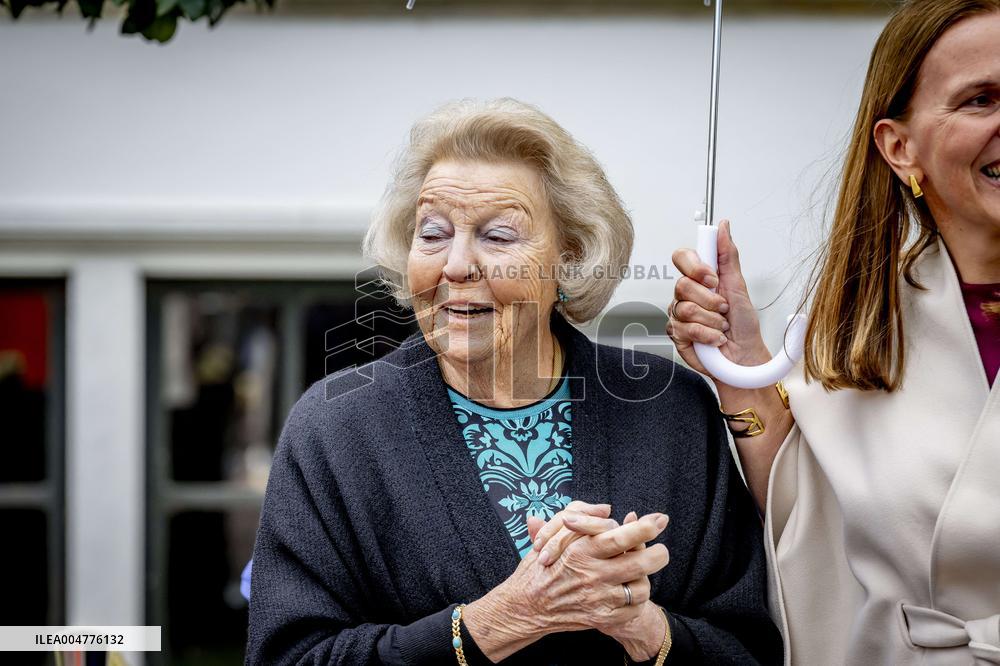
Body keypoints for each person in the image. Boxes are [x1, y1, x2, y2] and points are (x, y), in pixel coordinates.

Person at [245, 98, 782, 665]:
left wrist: (643, 627)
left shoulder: (669, 409)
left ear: (569, 259)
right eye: (432, 233)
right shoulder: (336, 427)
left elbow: (748, 648)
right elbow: (288, 658)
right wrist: (506, 617)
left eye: (498, 236)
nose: (456, 265)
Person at [662, 1, 1000, 663]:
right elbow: (809, 526)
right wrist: (739, 368)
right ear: (899, 148)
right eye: (981, 99)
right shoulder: (851, 335)